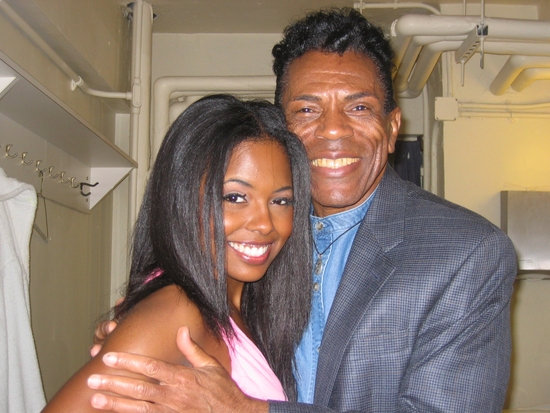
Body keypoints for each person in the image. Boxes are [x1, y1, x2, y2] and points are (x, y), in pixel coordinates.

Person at [86, 8, 517, 413]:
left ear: (391, 129)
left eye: (359, 107)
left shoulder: (466, 253)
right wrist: (149, 338)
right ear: (281, 129)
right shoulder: (256, 238)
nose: (332, 129)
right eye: (307, 109)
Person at [41, 94, 313, 411]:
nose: (265, 224)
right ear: (182, 198)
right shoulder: (177, 311)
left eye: (281, 201)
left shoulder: (243, 305)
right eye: (236, 197)